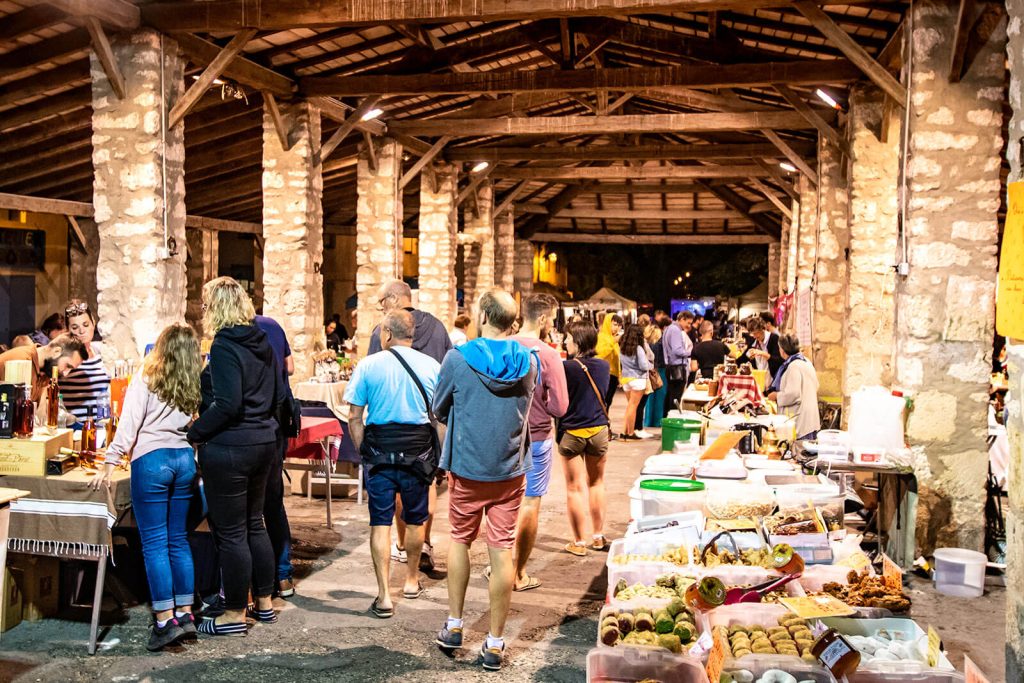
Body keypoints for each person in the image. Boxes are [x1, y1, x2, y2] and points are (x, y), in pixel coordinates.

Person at [432, 290, 538, 672]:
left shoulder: (457, 359)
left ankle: (456, 625)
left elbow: (438, 408)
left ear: (481, 315)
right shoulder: (529, 362)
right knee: (501, 551)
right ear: (512, 321)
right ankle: (494, 643)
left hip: (467, 467)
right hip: (509, 470)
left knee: (460, 541)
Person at [90, 324, 201, 651]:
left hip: (152, 461)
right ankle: (186, 615)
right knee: (178, 539)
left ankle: (165, 621)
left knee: (154, 543)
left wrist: (111, 461)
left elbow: (129, 423)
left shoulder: (147, 376)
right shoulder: (193, 380)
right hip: (184, 459)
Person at [186, 277, 284, 636]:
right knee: (254, 523)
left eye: (207, 305)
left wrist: (195, 433)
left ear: (217, 308)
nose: (205, 311)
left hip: (231, 448)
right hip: (263, 443)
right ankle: (264, 602)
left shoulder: (225, 344)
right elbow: (275, 394)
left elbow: (228, 404)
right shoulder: (262, 341)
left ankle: (232, 614)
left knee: (231, 534)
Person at [345, 310, 441, 618]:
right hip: (418, 453)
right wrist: (437, 458)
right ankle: (411, 581)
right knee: (415, 520)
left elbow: (355, 417)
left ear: (387, 334)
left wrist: (364, 452)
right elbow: (440, 419)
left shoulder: (369, 366)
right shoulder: (431, 366)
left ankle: (384, 595)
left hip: (380, 453)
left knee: (380, 523)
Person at [367, 279, 452, 571]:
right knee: (426, 481)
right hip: (430, 423)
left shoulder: (382, 331)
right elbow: (448, 372)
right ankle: (423, 541)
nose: (380, 309)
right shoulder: (438, 327)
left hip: (392, 424)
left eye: (381, 303)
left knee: (398, 489)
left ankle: (404, 544)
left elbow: (372, 374)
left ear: (393, 300)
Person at [505, 293, 568, 592]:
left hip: (501, 436)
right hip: (537, 437)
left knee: (501, 503)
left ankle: (499, 566)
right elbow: (560, 407)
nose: (552, 325)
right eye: (552, 320)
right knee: (529, 503)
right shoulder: (548, 354)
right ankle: (518, 573)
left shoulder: (502, 346)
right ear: (542, 318)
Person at [558, 321, 611, 557]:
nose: (565, 342)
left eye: (568, 338)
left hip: (572, 432)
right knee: (596, 483)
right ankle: (598, 537)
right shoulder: (603, 366)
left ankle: (579, 542)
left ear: (577, 341)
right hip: (599, 430)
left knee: (574, 488)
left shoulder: (565, 367)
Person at [254, 314, 296, 599]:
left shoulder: (235, 333)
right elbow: (290, 367)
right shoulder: (272, 325)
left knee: (248, 513)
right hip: (277, 423)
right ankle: (282, 576)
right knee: (274, 501)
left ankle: (254, 586)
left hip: (252, 426)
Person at [60, 300, 111, 423]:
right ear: (67, 330)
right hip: (75, 427)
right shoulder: (64, 357)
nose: (82, 331)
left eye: (86, 325)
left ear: (93, 323)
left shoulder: (102, 352)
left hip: (102, 425)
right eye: (75, 327)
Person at [0, 334, 86, 401]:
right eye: (67, 366)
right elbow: (14, 412)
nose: (65, 373)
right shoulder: (21, 360)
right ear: (56, 351)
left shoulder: (46, 372)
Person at [767, 334, 821, 440]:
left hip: (801, 419)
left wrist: (776, 396)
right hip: (810, 417)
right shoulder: (806, 361)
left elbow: (793, 394)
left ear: (782, 350)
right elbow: (817, 385)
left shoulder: (793, 366)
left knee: (800, 452)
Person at [618, 324, 651, 441]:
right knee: (633, 407)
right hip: (638, 379)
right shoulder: (638, 349)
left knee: (630, 407)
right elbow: (643, 365)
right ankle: (630, 433)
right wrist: (650, 365)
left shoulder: (622, 347)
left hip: (626, 379)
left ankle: (624, 432)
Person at [662, 311, 694, 416]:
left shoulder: (669, 328)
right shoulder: (675, 330)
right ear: (681, 319)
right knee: (675, 397)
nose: (689, 326)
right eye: (688, 323)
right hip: (677, 368)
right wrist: (690, 353)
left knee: (670, 395)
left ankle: (666, 419)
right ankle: (672, 419)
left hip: (671, 367)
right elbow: (677, 350)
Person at [632, 315, 655, 440]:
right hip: (641, 376)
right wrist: (650, 365)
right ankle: (637, 428)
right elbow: (649, 358)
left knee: (637, 404)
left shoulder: (632, 343)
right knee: (640, 404)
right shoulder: (641, 344)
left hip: (634, 376)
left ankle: (636, 428)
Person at [644, 318, 669, 428]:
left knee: (650, 398)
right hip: (660, 372)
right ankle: (657, 421)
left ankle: (648, 421)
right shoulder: (660, 344)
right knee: (660, 398)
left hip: (648, 372)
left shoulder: (646, 344)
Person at [595, 313, 622, 409]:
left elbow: (616, 359)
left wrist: (619, 376)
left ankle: (605, 422)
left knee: (608, 402)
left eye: (619, 326)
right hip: (603, 374)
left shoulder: (614, 339)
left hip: (613, 376)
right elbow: (601, 353)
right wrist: (613, 341)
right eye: (614, 324)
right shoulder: (601, 337)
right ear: (607, 323)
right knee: (603, 402)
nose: (617, 328)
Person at [758, 311, 784, 378]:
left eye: (762, 323)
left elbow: (778, 359)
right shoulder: (771, 334)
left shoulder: (775, 336)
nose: (760, 326)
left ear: (768, 324)